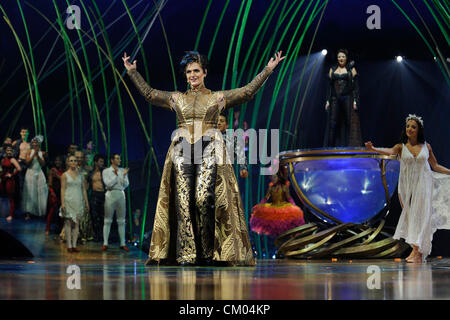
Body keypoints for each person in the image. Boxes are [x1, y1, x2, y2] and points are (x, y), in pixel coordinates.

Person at [124, 49, 285, 266]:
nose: (192, 75)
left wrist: (268, 70)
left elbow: (247, 92)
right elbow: (150, 94)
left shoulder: (217, 98)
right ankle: (187, 254)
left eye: (196, 71)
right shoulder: (176, 98)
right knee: (183, 202)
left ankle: (208, 252)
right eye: (189, 71)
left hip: (209, 148)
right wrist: (133, 73)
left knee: (202, 199)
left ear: (205, 72)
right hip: (182, 150)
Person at [365, 114, 450, 263]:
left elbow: (435, 166)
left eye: (413, 127)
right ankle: (415, 249)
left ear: (418, 130)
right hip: (407, 187)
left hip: (424, 184)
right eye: (408, 126)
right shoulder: (400, 147)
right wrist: (373, 148)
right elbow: (389, 151)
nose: (410, 129)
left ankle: (416, 251)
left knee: (421, 217)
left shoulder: (426, 146)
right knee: (410, 217)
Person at [250, 167, 305, 237]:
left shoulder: (284, 187)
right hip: (273, 206)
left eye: (274, 177)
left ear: (278, 177)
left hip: (283, 206)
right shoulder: (271, 187)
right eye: (272, 177)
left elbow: (289, 197)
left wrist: (294, 205)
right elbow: (266, 197)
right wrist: (259, 205)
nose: (273, 179)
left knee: (293, 216)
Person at [324, 49, 362, 147]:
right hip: (335, 98)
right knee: (333, 123)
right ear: (337, 58)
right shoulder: (332, 69)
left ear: (346, 58)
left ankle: (351, 147)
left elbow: (355, 87)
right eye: (339, 57)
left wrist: (355, 101)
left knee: (349, 122)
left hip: (347, 97)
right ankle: (330, 147)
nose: (341, 58)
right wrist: (327, 100)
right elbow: (329, 86)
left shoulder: (351, 69)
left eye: (343, 57)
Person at [59, 155, 89, 253]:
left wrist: (86, 202)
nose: (73, 162)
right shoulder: (64, 175)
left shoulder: (81, 175)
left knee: (76, 223)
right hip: (68, 200)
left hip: (78, 199)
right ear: (68, 162)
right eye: (71, 160)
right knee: (68, 222)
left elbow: (84, 190)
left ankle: (74, 245)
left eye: (75, 160)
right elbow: (62, 189)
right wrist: (63, 203)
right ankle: (69, 245)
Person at [102, 153, 129, 251]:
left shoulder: (122, 171)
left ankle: (123, 243)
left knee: (121, 220)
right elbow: (108, 184)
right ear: (112, 160)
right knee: (108, 220)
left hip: (120, 194)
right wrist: (118, 175)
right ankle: (105, 243)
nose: (119, 160)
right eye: (117, 158)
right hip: (110, 194)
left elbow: (126, 184)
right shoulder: (106, 171)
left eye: (120, 159)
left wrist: (123, 175)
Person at [22, 135, 48, 219]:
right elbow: (27, 162)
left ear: (39, 144)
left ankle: (40, 212)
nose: (34, 144)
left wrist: (38, 155)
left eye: (36, 143)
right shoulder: (29, 151)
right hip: (30, 173)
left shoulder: (41, 153)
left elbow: (43, 164)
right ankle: (28, 213)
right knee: (30, 192)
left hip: (39, 173)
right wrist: (33, 155)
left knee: (40, 193)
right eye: (33, 142)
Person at [217, 113, 248, 179]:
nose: (218, 123)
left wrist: (243, 168)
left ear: (226, 125)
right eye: (217, 121)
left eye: (221, 121)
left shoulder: (231, 139)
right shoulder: (208, 138)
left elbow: (241, 155)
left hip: (226, 175)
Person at [76, 150, 94, 242]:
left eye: (80, 157)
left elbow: (88, 183)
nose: (79, 159)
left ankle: (84, 234)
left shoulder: (87, 169)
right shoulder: (71, 169)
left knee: (84, 215)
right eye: (77, 157)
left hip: (83, 194)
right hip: (73, 194)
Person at [1, 144, 21, 222]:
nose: (9, 152)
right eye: (8, 150)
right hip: (3, 179)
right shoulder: (3, 159)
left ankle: (11, 215)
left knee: (11, 198)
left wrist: (11, 174)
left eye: (11, 150)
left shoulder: (12, 159)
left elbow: (19, 168)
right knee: (2, 196)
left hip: (10, 180)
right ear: (5, 151)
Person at [88, 154, 106, 242]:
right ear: (96, 162)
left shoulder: (105, 172)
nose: (102, 163)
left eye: (103, 161)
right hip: (94, 195)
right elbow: (88, 185)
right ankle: (96, 235)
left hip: (103, 195)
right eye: (100, 161)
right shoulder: (91, 173)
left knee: (103, 216)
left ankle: (103, 235)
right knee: (94, 216)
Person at [46, 156, 64, 235]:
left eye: (59, 161)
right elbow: (49, 184)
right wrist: (52, 192)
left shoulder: (64, 171)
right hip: (54, 192)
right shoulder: (52, 170)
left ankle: (61, 229)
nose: (58, 162)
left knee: (62, 211)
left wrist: (58, 176)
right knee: (52, 211)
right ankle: (47, 229)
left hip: (62, 192)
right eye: (56, 160)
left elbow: (64, 181)